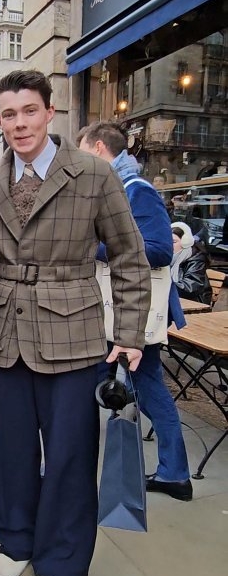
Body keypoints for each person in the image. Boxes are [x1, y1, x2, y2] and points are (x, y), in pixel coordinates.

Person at [0, 70, 150, 576]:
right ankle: (16, 537)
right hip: (5, 331)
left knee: (71, 454)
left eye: (29, 111)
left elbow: (128, 257)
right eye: (9, 114)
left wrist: (129, 335)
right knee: (9, 450)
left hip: (73, 332)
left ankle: (63, 561)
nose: (19, 123)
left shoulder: (94, 174)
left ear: (50, 113)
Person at [77, 122, 193, 502]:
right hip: (114, 313)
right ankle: (76, 466)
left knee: (149, 391)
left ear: (97, 149)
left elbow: (160, 250)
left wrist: (95, 247)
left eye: (82, 151)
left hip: (133, 313)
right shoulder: (112, 190)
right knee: (96, 387)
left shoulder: (136, 191)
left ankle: (175, 473)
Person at [171, 222, 212, 305]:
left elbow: (190, 288)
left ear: (185, 243)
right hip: (176, 301)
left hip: (195, 303)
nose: (169, 245)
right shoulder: (166, 258)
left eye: (174, 242)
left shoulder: (197, 260)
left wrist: (165, 284)